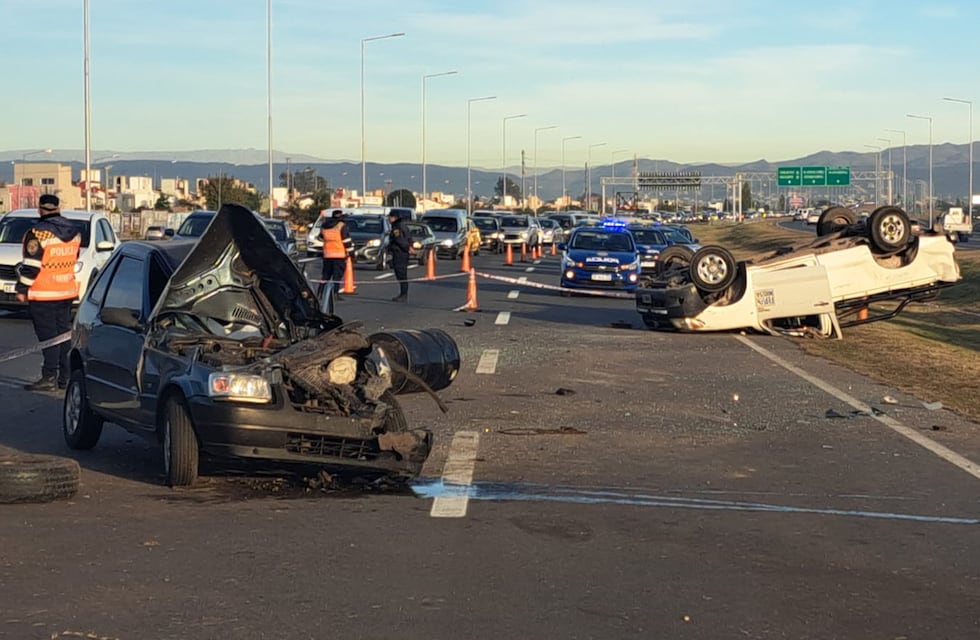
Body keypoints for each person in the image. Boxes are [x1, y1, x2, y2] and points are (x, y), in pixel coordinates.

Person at [15, 194, 81, 391]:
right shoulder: (74, 231)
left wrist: (22, 289)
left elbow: (32, 266)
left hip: (44, 293)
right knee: (63, 335)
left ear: (40, 209)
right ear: (58, 207)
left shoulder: (38, 234)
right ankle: (65, 376)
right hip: (66, 291)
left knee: (48, 337)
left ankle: (49, 376)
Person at [320, 209, 353, 297]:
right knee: (337, 276)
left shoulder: (324, 226)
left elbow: (320, 237)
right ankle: (335, 293)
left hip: (327, 254)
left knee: (325, 275)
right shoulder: (341, 226)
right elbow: (346, 240)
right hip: (339, 254)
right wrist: (350, 252)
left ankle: (320, 292)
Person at [388, 209, 411, 302]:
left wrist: (407, 248)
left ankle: (403, 295)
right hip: (401, 252)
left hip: (400, 252)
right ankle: (403, 294)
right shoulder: (403, 226)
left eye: (390, 217)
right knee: (401, 274)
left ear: (394, 218)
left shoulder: (397, 227)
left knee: (401, 274)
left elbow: (400, 240)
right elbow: (409, 238)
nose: (389, 219)